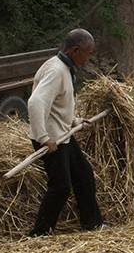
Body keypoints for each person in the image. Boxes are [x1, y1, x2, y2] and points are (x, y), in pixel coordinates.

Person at [26, 28, 104, 237]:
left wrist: (75, 121)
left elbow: (59, 106)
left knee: (84, 176)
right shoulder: (56, 71)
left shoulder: (62, 67)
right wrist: (43, 138)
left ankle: (92, 224)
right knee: (60, 187)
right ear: (75, 50)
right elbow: (35, 103)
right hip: (53, 140)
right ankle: (39, 233)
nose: (88, 58)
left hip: (63, 135)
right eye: (87, 53)